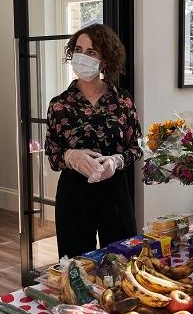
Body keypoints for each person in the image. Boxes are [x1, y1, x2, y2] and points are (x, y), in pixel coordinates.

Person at [45, 23, 142, 259]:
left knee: (124, 261)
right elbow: (53, 155)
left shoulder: (122, 101)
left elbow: (136, 148)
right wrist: (69, 157)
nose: (82, 56)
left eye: (91, 52)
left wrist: (117, 160)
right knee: (76, 267)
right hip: (74, 194)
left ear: (105, 60)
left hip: (115, 191)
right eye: (78, 50)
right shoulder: (59, 104)